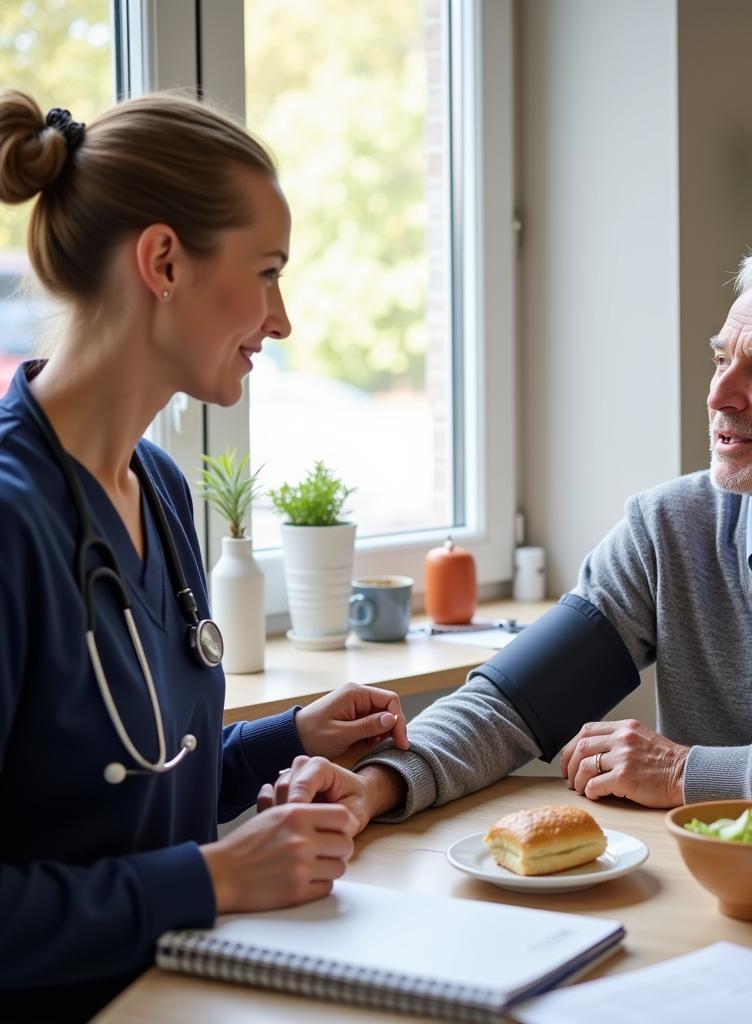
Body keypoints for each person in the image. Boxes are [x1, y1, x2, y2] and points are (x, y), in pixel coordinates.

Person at [310, 241, 752, 835]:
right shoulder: (667, 529)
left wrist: (689, 773)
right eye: (721, 360)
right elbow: (514, 704)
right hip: (713, 901)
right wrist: (374, 785)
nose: (719, 395)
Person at [0, 90, 411, 1022]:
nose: (282, 318)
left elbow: (128, 787)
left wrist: (290, 737)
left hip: (183, 993)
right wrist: (210, 881)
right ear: (164, 261)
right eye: (266, 272)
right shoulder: (11, 524)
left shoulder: (159, 487)